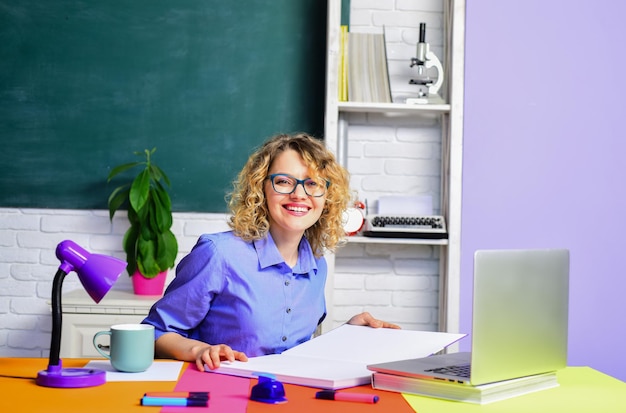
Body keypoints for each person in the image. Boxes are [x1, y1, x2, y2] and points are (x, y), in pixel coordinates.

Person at [142, 132, 400, 372]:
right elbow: (154, 332)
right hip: (218, 396)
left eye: (312, 184)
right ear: (260, 189)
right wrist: (201, 350)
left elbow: (295, 351)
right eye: (284, 182)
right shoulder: (219, 254)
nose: (300, 194)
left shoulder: (316, 265)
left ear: (327, 196)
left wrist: (348, 333)